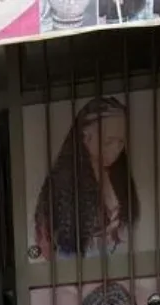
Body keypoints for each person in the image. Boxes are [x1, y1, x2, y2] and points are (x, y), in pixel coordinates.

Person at [33, 97, 139, 260]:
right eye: (109, 141)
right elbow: (64, 246)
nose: (116, 149)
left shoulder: (117, 178)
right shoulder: (64, 182)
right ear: (85, 137)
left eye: (121, 142)